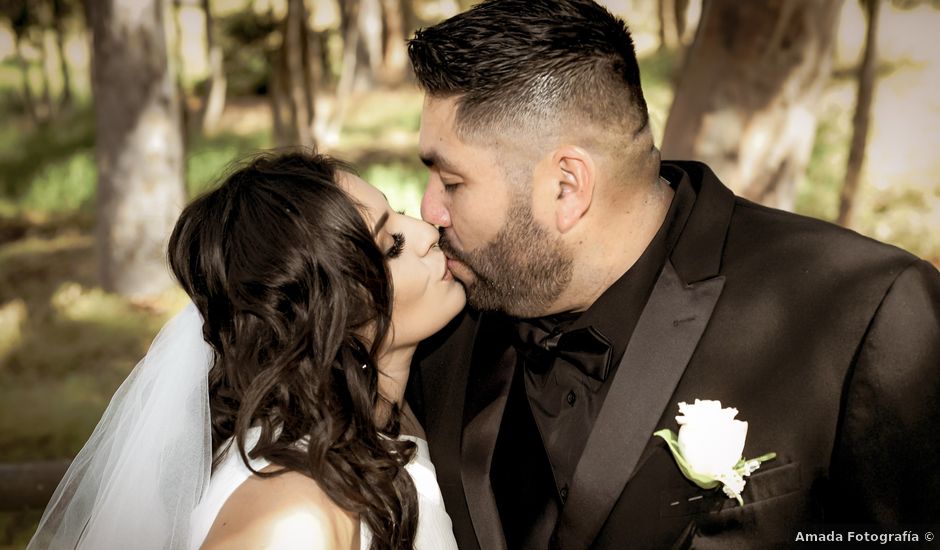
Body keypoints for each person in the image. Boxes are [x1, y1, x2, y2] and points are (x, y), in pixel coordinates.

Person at [404, 1, 940, 549]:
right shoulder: (438, 332)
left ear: (566, 187)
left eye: (451, 182)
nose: (429, 211)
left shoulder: (863, 313)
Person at [28, 151, 465, 550]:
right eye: (392, 246)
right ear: (326, 317)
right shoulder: (292, 512)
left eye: (402, 216)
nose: (428, 232)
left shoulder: (382, 422)